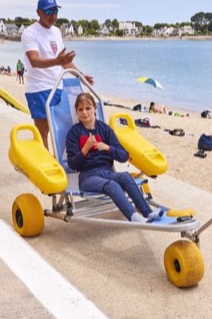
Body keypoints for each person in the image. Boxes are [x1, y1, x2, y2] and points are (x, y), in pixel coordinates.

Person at [65, 93, 165, 223]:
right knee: (112, 185)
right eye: (80, 109)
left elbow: (124, 156)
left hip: (107, 171)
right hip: (87, 176)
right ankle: (134, 217)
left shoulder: (105, 129)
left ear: (95, 109)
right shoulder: (74, 133)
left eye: (88, 108)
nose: (84, 112)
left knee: (125, 176)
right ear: (77, 112)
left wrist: (107, 148)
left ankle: (149, 213)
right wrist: (86, 149)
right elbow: (72, 164)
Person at [21, 0, 93, 147]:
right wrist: (57, 61)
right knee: (43, 131)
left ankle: (60, 162)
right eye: (48, 12)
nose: (52, 15)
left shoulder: (56, 32)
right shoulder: (30, 33)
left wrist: (81, 76)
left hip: (57, 87)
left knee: (65, 126)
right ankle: (43, 165)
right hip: (39, 88)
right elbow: (34, 61)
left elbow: (64, 62)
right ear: (38, 12)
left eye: (55, 11)